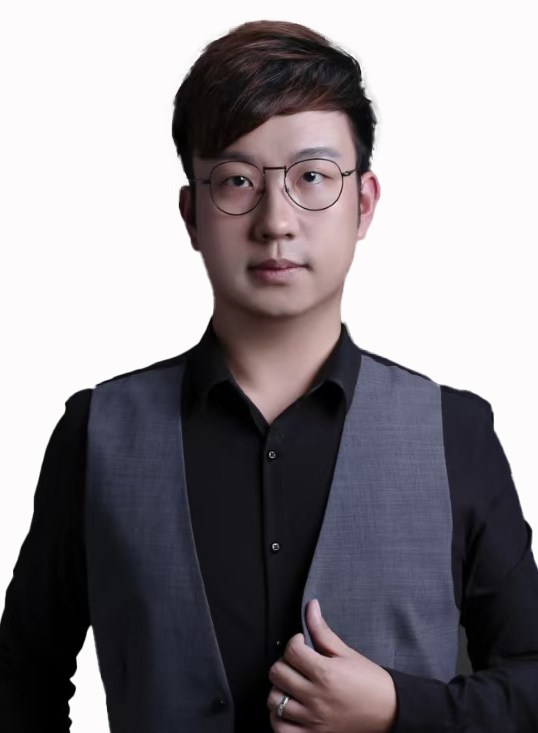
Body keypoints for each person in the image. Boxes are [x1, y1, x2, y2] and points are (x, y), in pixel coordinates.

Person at [1, 18, 538, 733]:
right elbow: (20, 684)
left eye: (312, 177)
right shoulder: (95, 433)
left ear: (363, 203)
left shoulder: (455, 432)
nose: (275, 220)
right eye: (237, 181)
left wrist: (397, 708)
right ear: (192, 214)